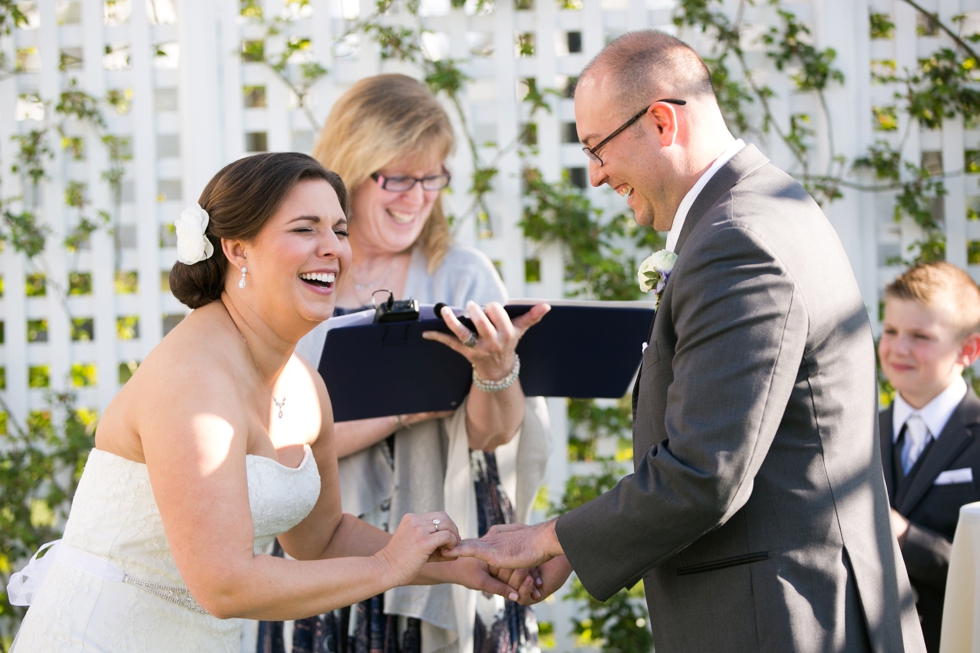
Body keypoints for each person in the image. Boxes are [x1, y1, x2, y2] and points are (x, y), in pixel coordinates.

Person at [446, 30, 928, 652]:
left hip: (784, 621)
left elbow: (706, 472)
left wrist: (552, 537)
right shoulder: (768, 204)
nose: (595, 176)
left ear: (662, 121)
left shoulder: (736, 240)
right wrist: (582, 548)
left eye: (597, 148)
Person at [6, 153, 516, 653]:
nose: (332, 249)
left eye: (339, 230)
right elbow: (224, 584)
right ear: (237, 249)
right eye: (304, 229)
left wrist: (463, 565)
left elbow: (322, 536)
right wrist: (387, 568)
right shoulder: (192, 382)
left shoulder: (306, 385)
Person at [268, 75, 551, 653]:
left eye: (431, 178)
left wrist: (495, 370)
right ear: (349, 170)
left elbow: (492, 434)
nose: (416, 197)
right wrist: (405, 410)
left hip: (453, 537)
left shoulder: (464, 276)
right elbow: (277, 446)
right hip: (328, 542)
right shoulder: (302, 281)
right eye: (396, 177)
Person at [877, 261, 980, 653]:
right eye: (891, 331)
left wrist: (905, 537)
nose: (898, 348)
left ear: (967, 350)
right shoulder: (859, 432)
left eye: (920, 336)